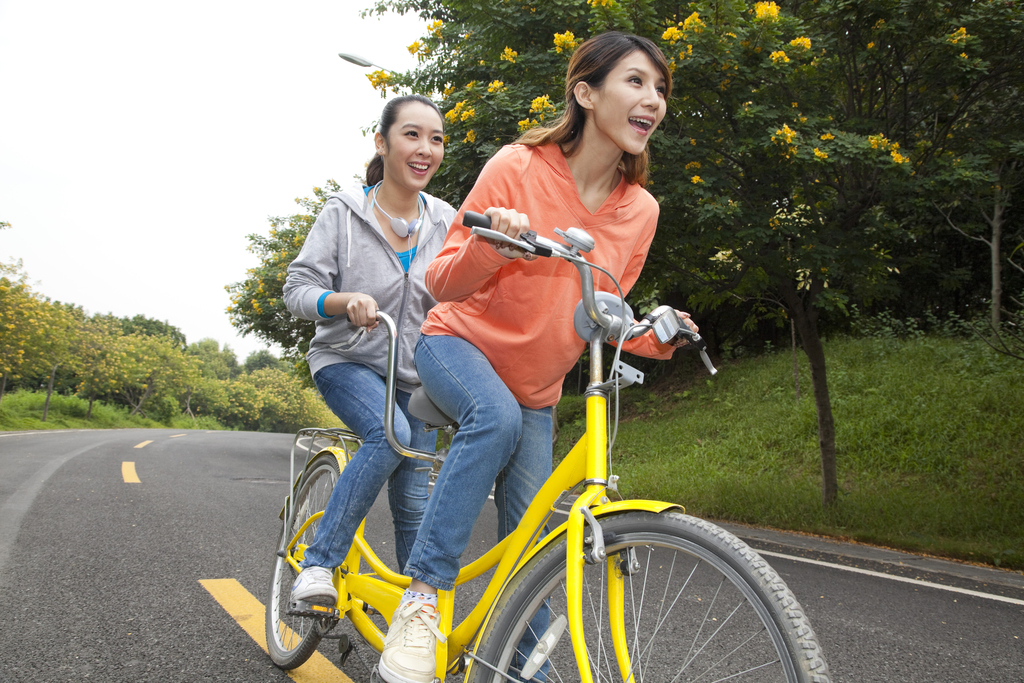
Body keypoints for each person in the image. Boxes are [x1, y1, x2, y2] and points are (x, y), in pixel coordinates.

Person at [375, 32, 699, 683]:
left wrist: (652, 336)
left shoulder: (642, 211)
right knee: (490, 418)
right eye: (636, 82)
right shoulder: (517, 166)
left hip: (538, 390)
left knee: (530, 554)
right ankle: (421, 602)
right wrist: (494, 248)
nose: (653, 100)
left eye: (660, 88)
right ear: (585, 92)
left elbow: (600, 310)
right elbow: (440, 280)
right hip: (457, 345)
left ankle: (530, 674)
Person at [282, 94, 456, 607]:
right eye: (412, 135)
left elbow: (469, 286)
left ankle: (419, 621)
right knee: (388, 436)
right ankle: (318, 565)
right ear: (382, 143)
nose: (425, 148)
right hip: (346, 361)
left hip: (417, 378)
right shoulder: (344, 212)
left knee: (413, 503)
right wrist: (340, 300)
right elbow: (297, 289)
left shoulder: (447, 221)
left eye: (437, 138)